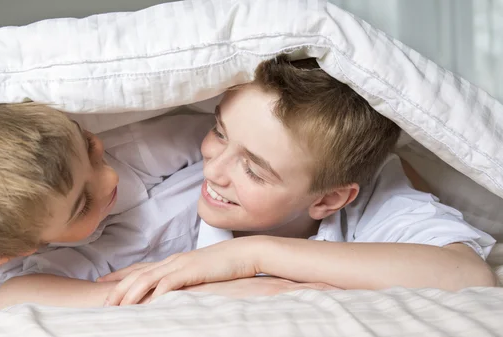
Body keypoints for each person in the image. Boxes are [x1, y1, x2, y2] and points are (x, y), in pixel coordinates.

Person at [98, 55, 498, 306]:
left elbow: (469, 275)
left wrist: (254, 255)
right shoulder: (162, 214)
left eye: (253, 170)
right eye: (219, 132)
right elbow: (34, 284)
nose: (214, 171)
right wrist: (198, 290)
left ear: (329, 200)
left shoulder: (374, 195)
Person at [0, 101, 316, 310]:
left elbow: (236, 147)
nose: (109, 178)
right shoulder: (31, 262)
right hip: (223, 257)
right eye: (82, 204)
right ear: (26, 246)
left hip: (269, 211)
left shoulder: (139, 147)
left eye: (91, 149)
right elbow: (15, 295)